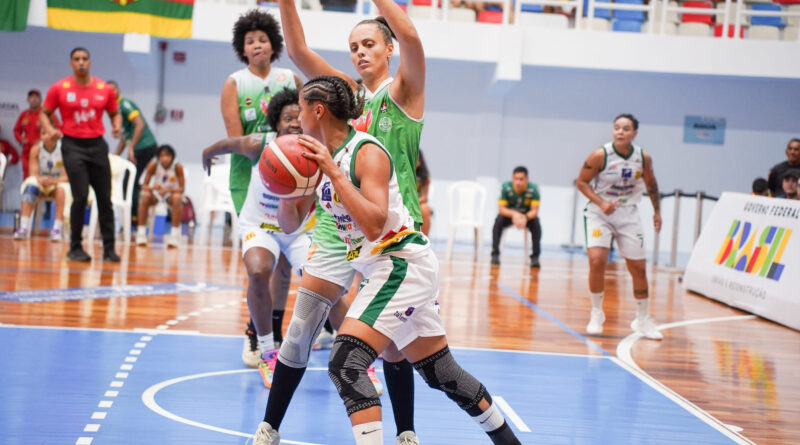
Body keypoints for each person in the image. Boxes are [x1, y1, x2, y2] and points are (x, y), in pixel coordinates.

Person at [252, 75, 522, 445]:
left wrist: (333, 172)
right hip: (384, 268)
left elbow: (375, 224)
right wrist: (285, 188)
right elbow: (290, 223)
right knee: (442, 372)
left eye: (301, 109)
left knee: (346, 363)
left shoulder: (366, 152)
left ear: (318, 110)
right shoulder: (318, 157)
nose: (297, 118)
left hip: (400, 263)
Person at [260, 0, 427, 442]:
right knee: (299, 331)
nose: (360, 52)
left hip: (390, 229)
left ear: (389, 48)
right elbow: (298, 51)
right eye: (353, 47)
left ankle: (405, 433)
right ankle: (268, 428)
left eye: (369, 43)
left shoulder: (404, 91)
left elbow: (411, 35)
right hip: (339, 226)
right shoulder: (347, 96)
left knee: (394, 345)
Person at [203, 89, 312, 388]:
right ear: (275, 122)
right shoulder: (259, 144)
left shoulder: (316, 146)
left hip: (299, 230)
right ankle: (267, 352)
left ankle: (355, 359)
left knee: (322, 282)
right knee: (259, 271)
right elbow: (227, 144)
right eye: (287, 118)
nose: (294, 123)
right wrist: (207, 153)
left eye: (298, 117)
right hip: (260, 225)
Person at [221, 9, 304, 370]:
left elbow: (306, 125)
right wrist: (272, 144)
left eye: (262, 39)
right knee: (260, 260)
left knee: (285, 260)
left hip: (291, 176)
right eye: (250, 41)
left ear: (273, 45)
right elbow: (236, 139)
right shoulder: (234, 83)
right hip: (251, 178)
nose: (257, 45)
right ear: (243, 49)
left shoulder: (290, 78)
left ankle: (275, 330)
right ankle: (255, 331)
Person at [576, 114, 663, 340]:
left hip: (628, 214)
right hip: (600, 214)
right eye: (616, 128)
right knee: (597, 261)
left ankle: (642, 319)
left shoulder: (643, 158)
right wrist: (601, 202)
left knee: (638, 268)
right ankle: (597, 313)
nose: (620, 132)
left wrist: (657, 211)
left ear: (634, 133)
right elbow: (581, 182)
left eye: (625, 128)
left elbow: (651, 184)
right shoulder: (600, 155)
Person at [40, 47, 122, 262]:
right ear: (71, 64)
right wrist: (50, 130)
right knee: (80, 196)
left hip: (97, 145)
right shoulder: (60, 88)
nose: (81, 62)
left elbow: (115, 113)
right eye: (77, 59)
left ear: (90, 62)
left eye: (85, 58)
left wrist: (116, 125)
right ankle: (75, 247)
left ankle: (109, 249)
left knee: (104, 198)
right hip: (72, 145)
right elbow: (44, 114)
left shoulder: (104, 89)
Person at [107, 81, 158, 227]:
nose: (111, 92)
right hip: (138, 147)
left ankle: (134, 219)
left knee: (130, 182)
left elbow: (140, 124)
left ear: (118, 90)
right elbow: (125, 135)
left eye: (113, 89)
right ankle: (133, 218)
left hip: (145, 146)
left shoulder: (124, 104)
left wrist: (131, 147)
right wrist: (115, 156)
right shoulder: (113, 108)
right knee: (130, 182)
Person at [13, 129, 69, 241]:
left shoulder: (64, 149)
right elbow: (33, 173)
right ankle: (23, 227)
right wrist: (41, 180)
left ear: (56, 134)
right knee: (30, 183)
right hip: (41, 183)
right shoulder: (36, 149)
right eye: (43, 133)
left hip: (57, 183)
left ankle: (57, 229)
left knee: (62, 188)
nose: (47, 136)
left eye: (49, 133)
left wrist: (53, 181)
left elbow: (67, 177)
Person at [490, 166, 542, 268]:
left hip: (526, 216)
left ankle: (535, 257)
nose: (518, 182)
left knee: (536, 224)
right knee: (498, 220)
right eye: (516, 179)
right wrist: (515, 214)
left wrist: (524, 217)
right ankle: (495, 254)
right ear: (512, 178)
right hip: (510, 215)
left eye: (521, 179)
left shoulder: (533, 189)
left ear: (527, 179)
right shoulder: (505, 187)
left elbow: (534, 211)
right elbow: (501, 209)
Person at [135, 145, 185, 247]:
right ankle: (141, 233)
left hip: (170, 194)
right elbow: (144, 186)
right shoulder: (153, 165)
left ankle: (174, 236)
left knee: (177, 198)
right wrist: (152, 188)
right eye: (162, 156)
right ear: (158, 157)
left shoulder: (177, 166)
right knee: (145, 196)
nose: (165, 158)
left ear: (172, 157)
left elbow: (181, 188)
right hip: (156, 193)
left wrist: (168, 190)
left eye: (167, 156)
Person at [13, 89, 61, 178]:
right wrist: (21, 139)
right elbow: (16, 130)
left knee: (44, 175)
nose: (34, 99)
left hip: (43, 150)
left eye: (36, 97)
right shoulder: (24, 115)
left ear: (41, 99)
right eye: (31, 97)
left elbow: (58, 129)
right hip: (27, 151)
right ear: (28, 100)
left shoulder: (47, 114)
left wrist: (44, 140)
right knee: (28, 177)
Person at [416, 150, 432, 236]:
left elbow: (424, 197)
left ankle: (425, 238)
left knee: (425, 209)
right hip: (402, 203)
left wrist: (414, 202)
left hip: (417, 203)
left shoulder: (423, 177)